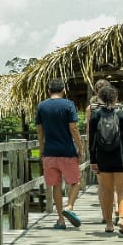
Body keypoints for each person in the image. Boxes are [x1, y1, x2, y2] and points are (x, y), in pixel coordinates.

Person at [35, 77, 83, 229]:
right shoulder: (68, 104)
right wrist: (80, 147)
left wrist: (42, 150)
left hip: (49, 152)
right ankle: (69, 207)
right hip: (67, 151)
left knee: (56, 185)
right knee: (76, 182)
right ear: (63, 90)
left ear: (49, 91)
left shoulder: (41, 106)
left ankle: (61, 220)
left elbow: (40, 131)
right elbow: (73, 128)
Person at [88, 84, 123, 236]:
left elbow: (92, 141)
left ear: (100, 98)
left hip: (102, 157)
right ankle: (121, 218)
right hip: (121, 156)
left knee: (106, 190)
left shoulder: (95, 115)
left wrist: (93, 160)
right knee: (122, 190)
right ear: (115, 98)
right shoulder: (122, 114)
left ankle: (109, 224)